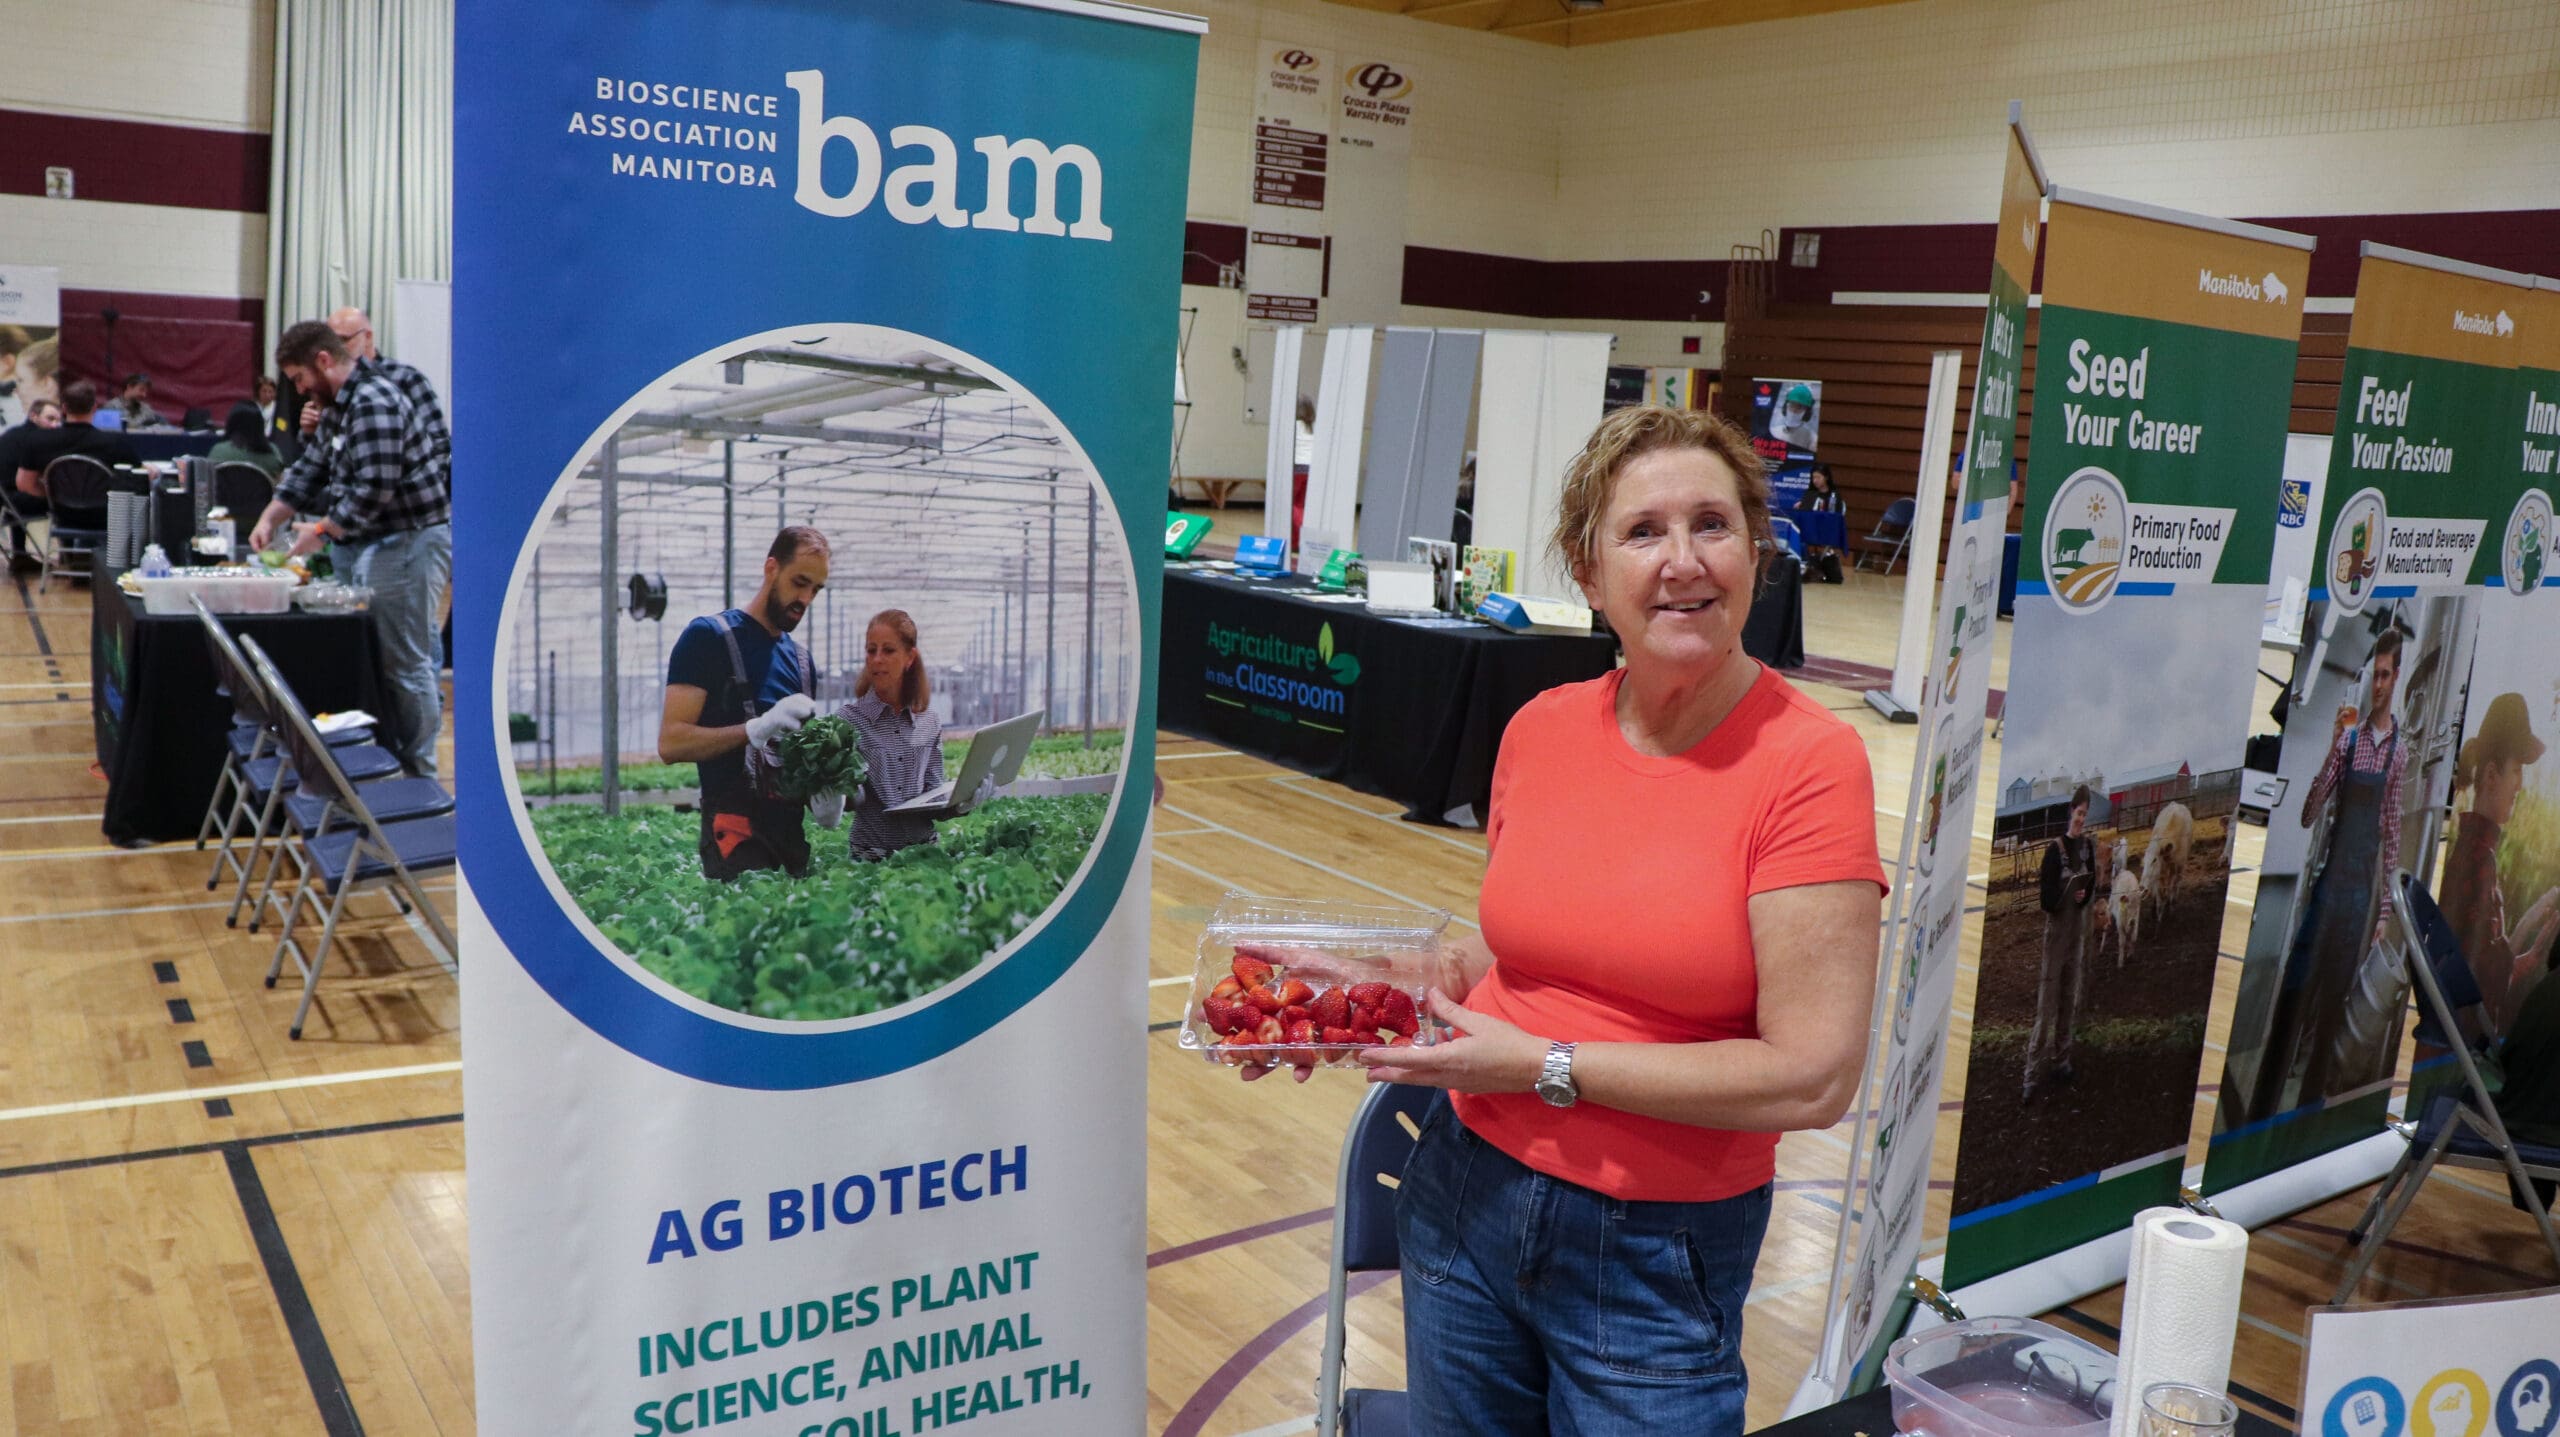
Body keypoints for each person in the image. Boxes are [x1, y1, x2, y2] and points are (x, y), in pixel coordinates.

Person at [1253, 405, 1885, 1435]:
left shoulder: (1807, 763)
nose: (1682, 561)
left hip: (1655, 1251)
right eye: (1642, 532)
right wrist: (1383, 983)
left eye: (1712, 525)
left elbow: (1812, 1076)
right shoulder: (1540, 731)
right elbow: (1522, 946)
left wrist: (1547, 1066)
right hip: (1461, 1195)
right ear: (1589, 576)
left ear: (1756, 552)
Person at [249, 321, 451, 776]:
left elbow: (375, 487)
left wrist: (320, 531)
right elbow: (312, 466)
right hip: (372, 543)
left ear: (323, 361)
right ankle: (389, 761)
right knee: (381, 660)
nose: (299, 390)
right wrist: (270, 517)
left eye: (300, 378)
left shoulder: (374, 401)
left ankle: (420, 774)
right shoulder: (340, 405)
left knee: (405, 665)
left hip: (408, 542)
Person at [2259, 628, 2408, 1111]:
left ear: (2396, 677)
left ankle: (2308, 1108)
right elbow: (2308, 815)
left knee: (2332, 1011)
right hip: (2327, 888)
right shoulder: (2348, 743)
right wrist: (2330, 750)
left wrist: (2384, 913)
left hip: (2358, 899)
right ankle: (2264, 1105)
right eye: (2373, 676)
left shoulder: (2399, 753)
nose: (2378, 685)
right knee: (2296, 988)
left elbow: (2391, 836)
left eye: (2385, 675)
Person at [659, 527, 833, 881]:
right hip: (734, 838)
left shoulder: (802, 663)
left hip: (791, 842)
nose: (805, 598)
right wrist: (756, 729)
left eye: (815, 589)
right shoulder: (708, 638)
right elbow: (671, 743)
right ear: (771, 568)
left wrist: (828, 789)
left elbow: (796, 761)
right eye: (799, 582)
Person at [2441, 693, 2560, 1034]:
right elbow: (2471, 986)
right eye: (2517, 770)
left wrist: (2524, 961)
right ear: (2492, 775)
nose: (2520, 784)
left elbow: (2483, 972)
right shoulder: (2477, 860)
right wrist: (2525, 926)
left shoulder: (2477, 851)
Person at [836, 609, 947, 862]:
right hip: (869, 859)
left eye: (888, 650)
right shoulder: (848, 721)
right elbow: (846, 800)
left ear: (910, 658)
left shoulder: (929, 720)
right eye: (871, 650)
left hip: (925, 855)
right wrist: (839, 791)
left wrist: (963, 801)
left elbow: (935, 793)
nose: (877, 659)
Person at [2026, 785, 2098, 1102]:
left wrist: (2082, 895)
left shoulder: (2088, 848)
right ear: (2071, 811)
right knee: (2047, 1005)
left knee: (2069, 999)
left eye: (2085, 814)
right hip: (2056, 936)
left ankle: (2061, 1061)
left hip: (2076, 935)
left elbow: (2091, 883)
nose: (2081, 819)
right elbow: (2045, 899)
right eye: (2078, 813)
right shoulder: (2055, 850)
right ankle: (2030, 1075)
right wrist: (2065, 893)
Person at [15, 378, 139, 518]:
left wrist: (54, 495)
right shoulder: (115, 443)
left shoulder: (37, 441)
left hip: (61, 515)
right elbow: (137, 481)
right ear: (94, 408)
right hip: (104, 517)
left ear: (64, 408)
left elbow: (24, 484)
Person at [0, 396, 64, 562]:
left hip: (6, 500)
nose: (55, 425)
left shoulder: (12, 433)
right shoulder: (39, 440)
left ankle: (20, 555)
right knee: (68, 503)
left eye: (58, 420)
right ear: (33, 416)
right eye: (50, 419)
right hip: (16, 500)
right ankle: (71, 557)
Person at [1794, 463, 1846, 582]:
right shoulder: (1810, 494)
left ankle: (1816, 567)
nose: (1815, 480)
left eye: (1818, 477)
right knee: (1804, 535)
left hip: (1827, 530)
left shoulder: (1835, 495)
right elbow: (1804, 512)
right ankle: (1811, 566)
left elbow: (1837, 516)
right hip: (1810, 529)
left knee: (1818, 540)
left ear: (1826, 477)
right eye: (1813, 477)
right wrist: (1800, 506)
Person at [207, 401, 285, 479]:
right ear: (260, 425)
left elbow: (208, 479)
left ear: (231, 423)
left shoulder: (218, 451)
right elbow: (279, 480)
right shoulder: (273, 452)